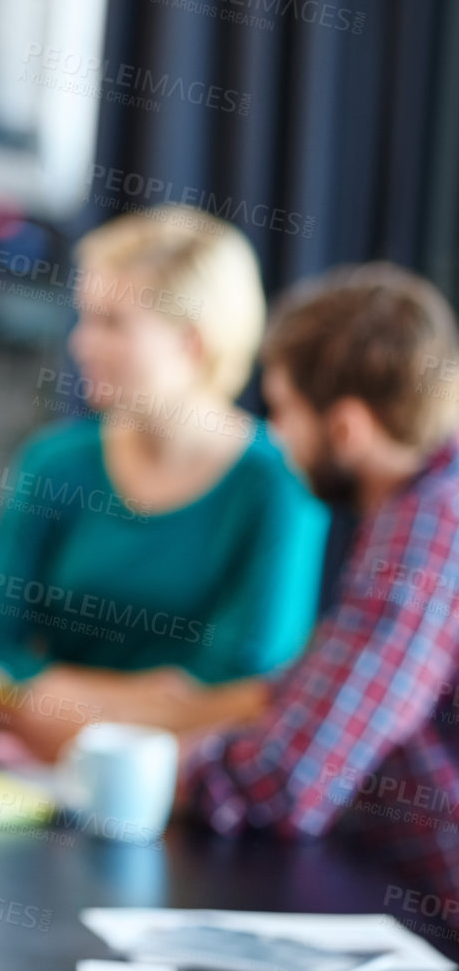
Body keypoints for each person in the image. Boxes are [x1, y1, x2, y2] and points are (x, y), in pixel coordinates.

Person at [0, 206, 328, 760]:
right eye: (84, 318)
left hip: (188, 807)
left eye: (113, 323)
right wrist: (159, 707)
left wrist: (54, 698)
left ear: (193, 343)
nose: (82, 345)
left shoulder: (278, 485)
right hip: (25, 788)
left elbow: (248, 695)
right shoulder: (52, 464)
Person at [168, 263, 459, 902]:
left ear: (348, 427)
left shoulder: (429, 530)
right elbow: (316, 698)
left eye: (283, 410)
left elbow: (288, 782)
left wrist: (143, 769)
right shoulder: (430, 500)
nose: (277, 434)